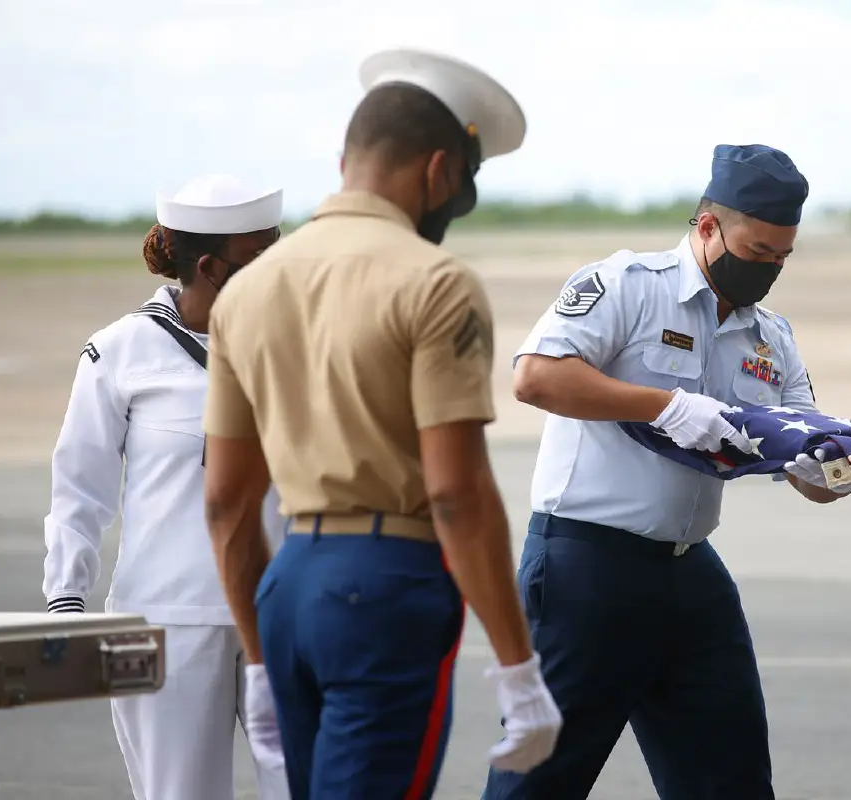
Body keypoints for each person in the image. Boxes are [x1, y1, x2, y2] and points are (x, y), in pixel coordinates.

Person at [200, 48, 563, 799]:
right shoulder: (435, 281)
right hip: (385, 588)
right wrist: (519, 668)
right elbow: (456, 494)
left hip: (288, 588)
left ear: (346, 159)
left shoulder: (248, 289)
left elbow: (226, 502)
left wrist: (262, 660)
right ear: (439, 171)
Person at [485, 143, 851, 800]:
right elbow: (535, 377)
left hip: (691, 576)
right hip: (587, 569)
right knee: (537, 784)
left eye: (782, 258)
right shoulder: (626, 288)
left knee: (732, 783)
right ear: (708, 227)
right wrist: (666, 406)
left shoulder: (770, 337)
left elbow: (809, 453)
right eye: (759, 251)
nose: (769, 269)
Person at [41, 173, 290, 800]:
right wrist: (65, 599)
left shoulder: (300, 344)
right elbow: (80, 485)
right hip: (167, 621)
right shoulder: (121, 353)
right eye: (262, 255)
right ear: (209, 267)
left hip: (285, 614)